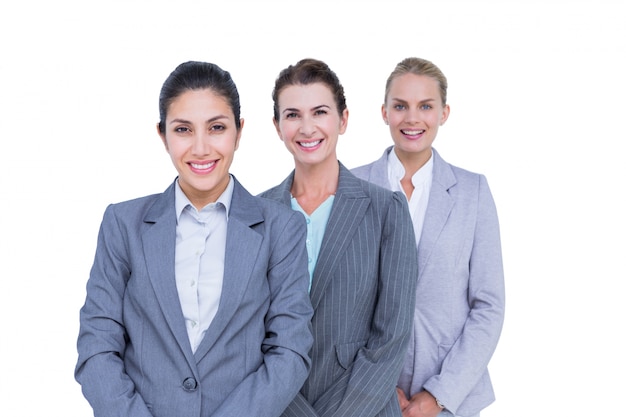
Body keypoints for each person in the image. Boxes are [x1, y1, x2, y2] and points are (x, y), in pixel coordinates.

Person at [75, 61, 314, 417]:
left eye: (216, 127)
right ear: (163, 135)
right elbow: (97, 346)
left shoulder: (281, 228)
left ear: (239, 131)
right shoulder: (123, 224)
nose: (201, 148)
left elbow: (290, 352)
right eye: (184, 129)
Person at [259, 58, 419, 417]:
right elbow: (245, 338)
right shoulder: (253, 215)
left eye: (319, 112)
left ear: (342, 119)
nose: (307, 127)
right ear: (277, 125)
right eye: (292, 115)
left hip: (365, 408)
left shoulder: (386, 210)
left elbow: (390, 339)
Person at [351, 57, 505, 417]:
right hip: (363, 393)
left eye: (425, 106)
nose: (412, 118)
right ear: (384, 112)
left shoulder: (473, 192)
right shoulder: (350, 188)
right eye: (400, 106)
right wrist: (379, 385)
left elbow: (489, 305)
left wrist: (438, 396)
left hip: (453, 395)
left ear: (444, 112)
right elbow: (337, 301)